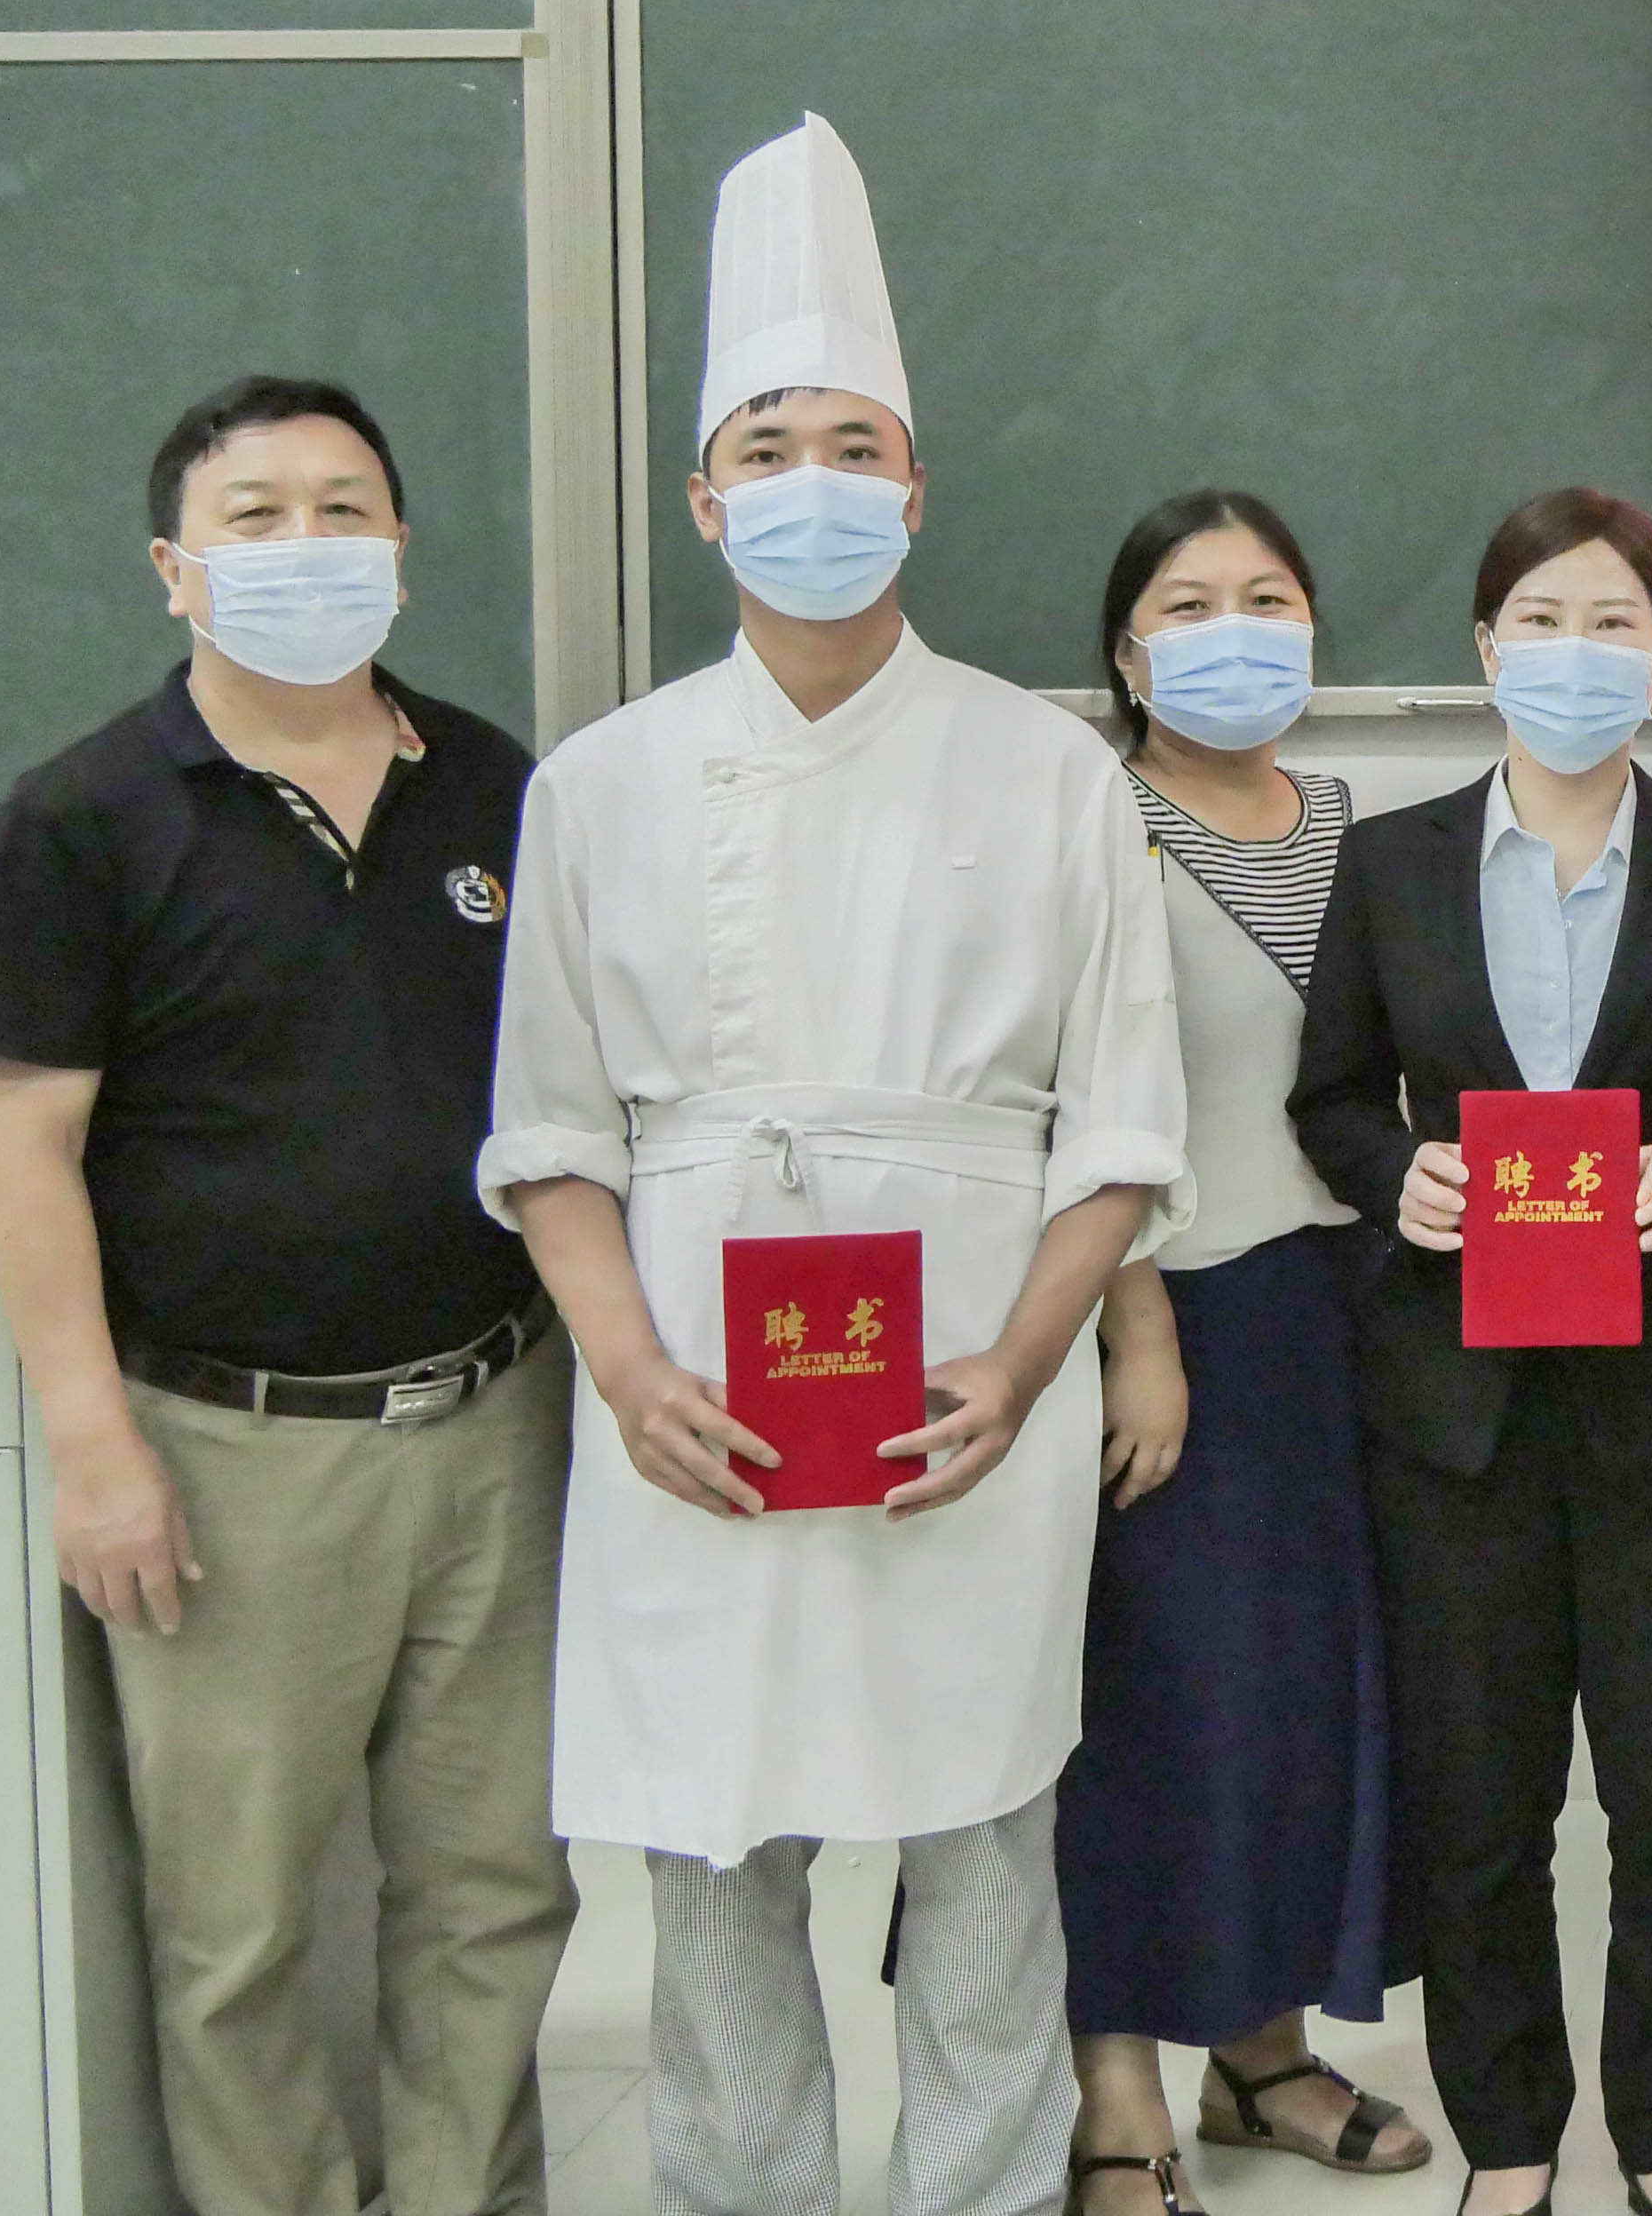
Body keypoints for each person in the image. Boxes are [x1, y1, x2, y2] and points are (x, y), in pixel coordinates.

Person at [481, 114, 1193, 2216]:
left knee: (984, 1849)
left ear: (916, 488)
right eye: (772, 450)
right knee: (715, 1859)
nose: (819, 486)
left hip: (969, 1378)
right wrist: (629, 1375)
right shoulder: (600, 785)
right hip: (691, 1383)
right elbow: (552, 1132)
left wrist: (1026, 1364)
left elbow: (1120, 1125)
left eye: (856, 448)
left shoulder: (1050, 773)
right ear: (709, 500)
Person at [0, 374, 573, 2216]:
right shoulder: (80, 819)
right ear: (175, 567)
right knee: (235, 1921)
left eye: (343, 508)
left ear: (400, 547)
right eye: (257, 516)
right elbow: (27, 1148)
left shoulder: (497, 785)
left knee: (494, 1885)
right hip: (228, 1450)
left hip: (497, 1413)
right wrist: (94, 1446)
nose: (308, 543)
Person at [1293, 488, 1652, 2216]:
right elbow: (1332, 1096)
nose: (1578, 655)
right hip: (1456, 1413)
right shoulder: (1392, 861)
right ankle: (1509, 2136)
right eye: (1543, 624)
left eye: (1614, 624)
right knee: (1481, 1806)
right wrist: (1396, 1175)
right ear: (1488, 650)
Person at [1057, 488, 1421, 2213]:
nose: (1234, 633)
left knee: (1304, 1699)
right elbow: (1070, 1103)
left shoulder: (1359, 827)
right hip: (1163, 1316)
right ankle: (1118, 2088)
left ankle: (1262, 2055)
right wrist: (1135, 1329)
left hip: (1339, 1314)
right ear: (1128, 656)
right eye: (1189, 606)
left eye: (1266, 599)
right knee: (1149, 1704)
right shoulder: (1084, 823)